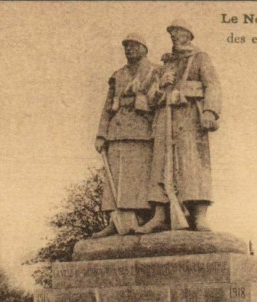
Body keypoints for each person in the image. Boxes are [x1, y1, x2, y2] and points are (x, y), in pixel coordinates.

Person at [135, 19, 221, 233]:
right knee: (161, 165)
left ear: (189, 35)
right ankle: (160, 215)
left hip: (190, 118)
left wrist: (210, 111)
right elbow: (149, 100)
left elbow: (212, 85)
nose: (173, 35)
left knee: (193, 165)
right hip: (165, 118)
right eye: (171, 32)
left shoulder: (200, 58)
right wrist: (161, 86)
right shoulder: (165, 64)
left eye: (178, 31)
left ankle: (199, 216)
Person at [93, 33, 159, 238]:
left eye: (133, 46)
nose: (129, 50)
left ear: (144, 48)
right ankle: (117, 220)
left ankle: (139, 219)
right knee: (115, 177)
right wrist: (101, 134)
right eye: (126, 47)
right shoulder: (118, 75)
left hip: (142, 130)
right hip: (117, 130)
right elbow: (107, 107)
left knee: (138, 177)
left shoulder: (155, 70)